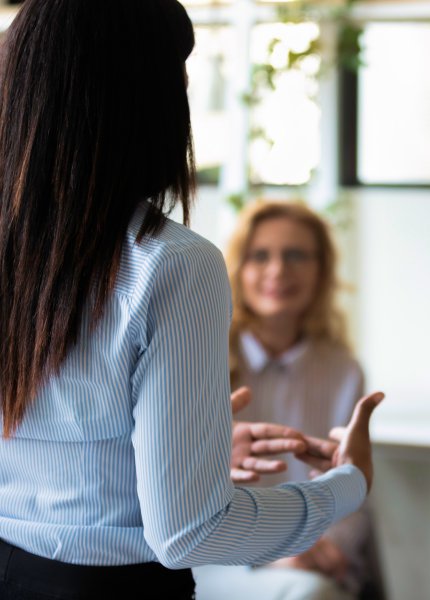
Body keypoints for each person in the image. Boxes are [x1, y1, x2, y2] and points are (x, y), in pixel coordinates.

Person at [0, 2, 383, 599]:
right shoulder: (171, 265)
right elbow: (189, 533)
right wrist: (347, 482)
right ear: (142, 100)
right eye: (179, 79)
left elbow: (49, 460)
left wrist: (189, 460)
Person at [194, 200, 375, 600]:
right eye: (260, 255)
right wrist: (271, 554)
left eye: (296, 255)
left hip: (313, 560)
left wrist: (321, 547)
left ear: (321, 270)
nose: (278, 270)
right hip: (215, 560)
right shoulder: (198, 356)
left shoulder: (343, 370)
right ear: (239, 268)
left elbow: (354, 486)